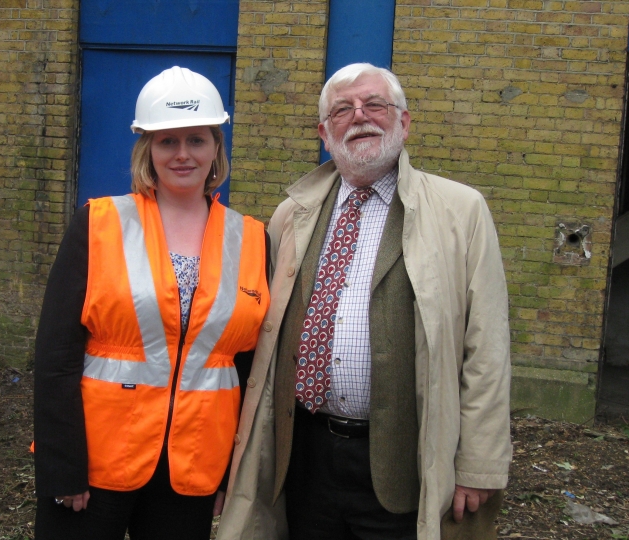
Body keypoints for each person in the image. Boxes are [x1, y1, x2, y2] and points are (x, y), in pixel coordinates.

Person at [217, 63, 511, 540]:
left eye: (375, 104)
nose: (360, 117)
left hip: (403, 460)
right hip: (305, 454)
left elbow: (487, 350)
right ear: (323, 131)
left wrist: (478, 463)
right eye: (342, 110)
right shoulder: (292, 213)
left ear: (404, 121)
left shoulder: (462, 212)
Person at [33, 66, 270, 539]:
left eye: (197, 140)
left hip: (193, 466)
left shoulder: (253, 239)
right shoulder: (99, 224)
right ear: (148, 149)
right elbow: (55, 356)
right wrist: (63, 467)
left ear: (216, 148)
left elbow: (245, 367)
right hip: (97, 462)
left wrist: (227, 470)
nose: (183, 154)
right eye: (167, 142)